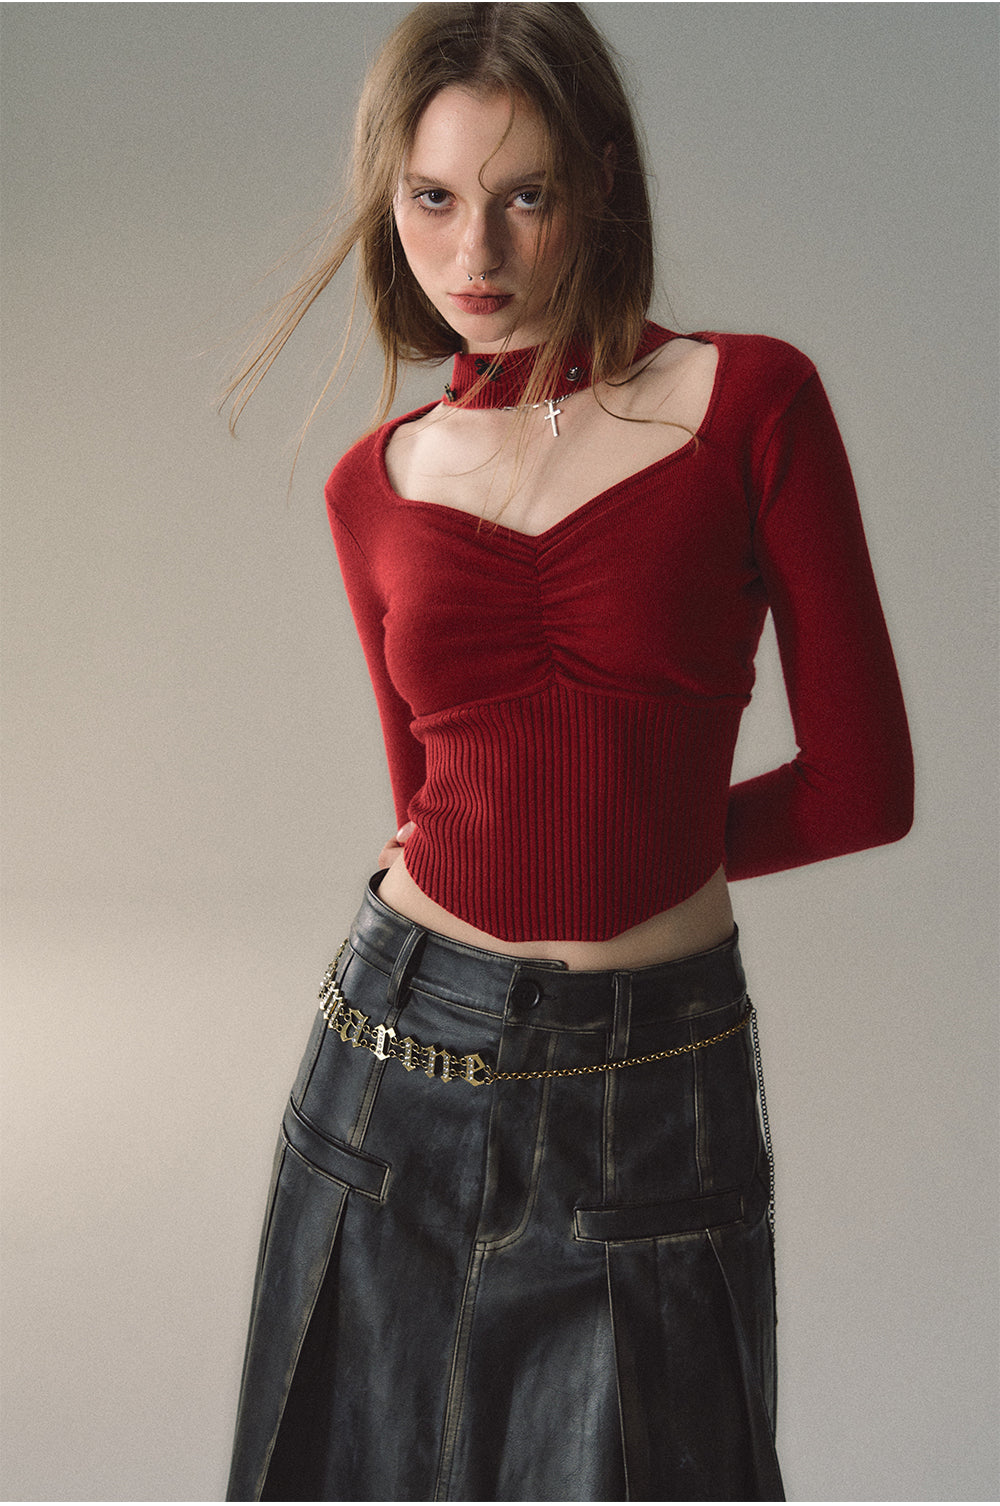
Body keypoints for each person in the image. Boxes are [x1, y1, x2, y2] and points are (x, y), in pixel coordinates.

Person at [224, 4, 913, 1500]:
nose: (474, 251)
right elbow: (430, 807)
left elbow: (866, 788)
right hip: (395, 1068)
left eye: (523, 194)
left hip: (652, 1087)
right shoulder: (371, 488)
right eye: (432, 198)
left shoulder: (754, 406)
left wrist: (634, 836)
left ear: (602, 178)